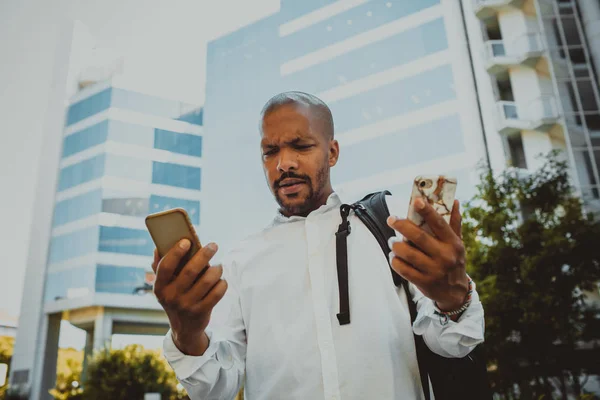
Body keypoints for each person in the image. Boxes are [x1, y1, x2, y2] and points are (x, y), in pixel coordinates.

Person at [152, 92, 485, 400]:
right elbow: (217, 386)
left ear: (333, 151)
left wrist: (452, 296)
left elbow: (451, 343)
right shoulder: (241, 260)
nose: (284, 163)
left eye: (300, 146)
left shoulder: (389, 228)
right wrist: (187, 334)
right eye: (271, 152)